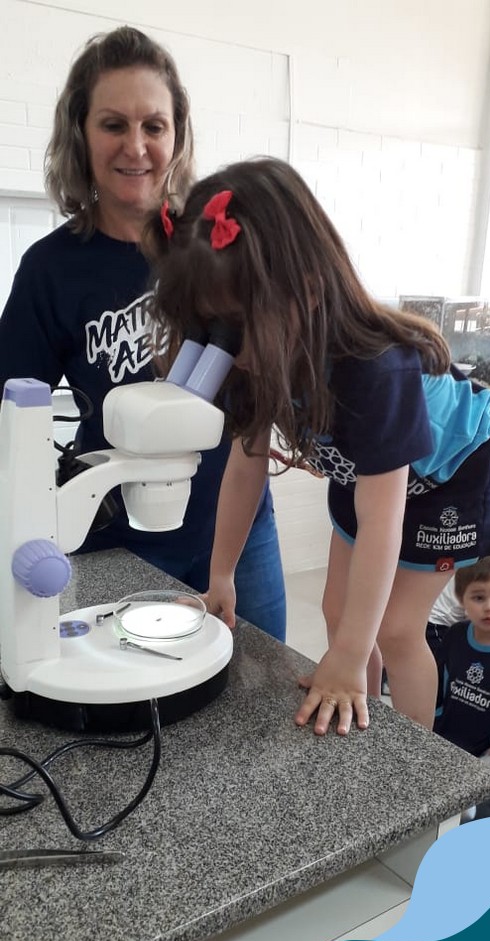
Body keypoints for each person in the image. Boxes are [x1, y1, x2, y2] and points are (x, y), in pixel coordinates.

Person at [143, 156, 490, 737]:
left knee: (395, 629)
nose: (223, 350)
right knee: (339, 612)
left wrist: (350, 656)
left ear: (305, 293)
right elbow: (245, 465)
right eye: (208, 328)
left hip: (453, 472)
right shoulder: (255, 355)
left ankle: (416, 763)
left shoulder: (375, 370)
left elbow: (382, 521)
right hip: (367, 471)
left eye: (232, 325)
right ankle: (366, 714)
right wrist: (221, 577)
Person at [0, 27, 286, 641]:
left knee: (260, 685)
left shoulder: (219, 245)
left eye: (154, 125)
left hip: (236, 528)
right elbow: (12, 414)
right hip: (114, 535)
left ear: (177, 134)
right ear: (81, 133)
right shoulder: (50, 269)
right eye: (113, 124)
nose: (136, 147)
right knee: (129, 690)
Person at [433, 558, 490, 820]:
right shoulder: (455, 635)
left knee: (476, 818)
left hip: (487, 755)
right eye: (479, 597)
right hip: (446, 743)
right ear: (462, 600)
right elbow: (437, 685)